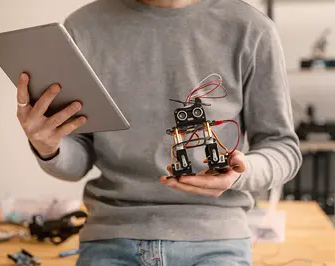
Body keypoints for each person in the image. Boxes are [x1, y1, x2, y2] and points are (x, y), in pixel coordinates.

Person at [15, 0, 302, 265]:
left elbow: (282, 148)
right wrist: (48, 146)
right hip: (111, 236)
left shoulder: (251, 28)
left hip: (215, 238)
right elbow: (78, 157)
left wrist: (243, 171)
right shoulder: (83, 28)